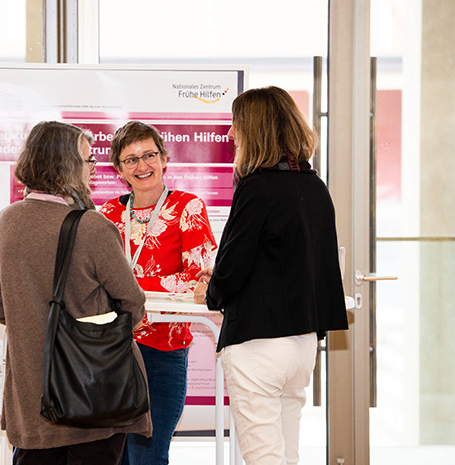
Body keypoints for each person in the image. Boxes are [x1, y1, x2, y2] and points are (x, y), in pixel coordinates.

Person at [194, 86, 349, 465]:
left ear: (255, 129)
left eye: (236, 125)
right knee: (285, 454)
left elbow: (232, 268)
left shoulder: (257, 188)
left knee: (264, 457)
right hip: (301, 343)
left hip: (259, 344)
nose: (231, 134)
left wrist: (209, 292)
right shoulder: (314, 186)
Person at [0, 121, 151, 465]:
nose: (92, 170)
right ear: (66, 165)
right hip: (91, 400)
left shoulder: (5, 222)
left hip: (33, 400)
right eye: (88, 161)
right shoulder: (92, 226)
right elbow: (133, 304)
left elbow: (2, 310)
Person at [99, 120, 217, 464]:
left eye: (149, 155)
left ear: (164, 158)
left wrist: (124, 286)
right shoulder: (106, 214)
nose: (142, 166)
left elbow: (197, 280)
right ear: (119, 169)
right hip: (109, 351)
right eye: (130, 159)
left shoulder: (187, 207)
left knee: (148, 456)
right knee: (110, 456)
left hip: (161, 350)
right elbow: (91, 279)